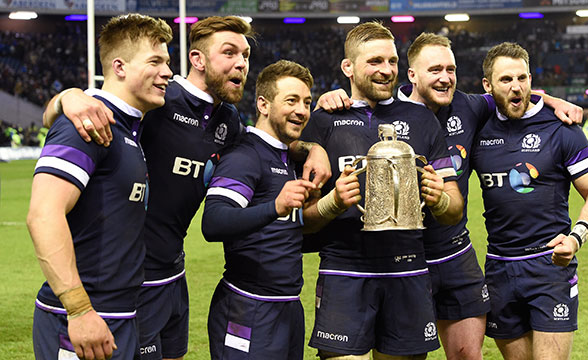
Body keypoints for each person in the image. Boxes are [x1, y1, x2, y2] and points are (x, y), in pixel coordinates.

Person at [42, 16, 331, 360]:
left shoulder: (229, 121)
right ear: (197, 60)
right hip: (130, 281)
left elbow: (265, 142)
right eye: (229, 53)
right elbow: (90, 110)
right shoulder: (159, 99)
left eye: (245, 55)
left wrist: (314, 149)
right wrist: (68, 97)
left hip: (174, 274)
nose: (242, 63)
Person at [316, 32, 584, 360]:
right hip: (405, 261)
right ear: (411, 75)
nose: (445, 78)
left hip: (456, 255)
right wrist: (330, 101)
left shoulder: (468, 106)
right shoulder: (387, 112)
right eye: (435, 70)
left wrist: (555, 101)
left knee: (468, 355)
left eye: (451, 69)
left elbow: (512, 88)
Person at [302, 21, 464, 360]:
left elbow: (454, 212)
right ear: (348, 67)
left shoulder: (422, 121)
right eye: (375, 61)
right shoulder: (323, 121)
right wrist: (332, 202)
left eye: (391, 61)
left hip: (407, 269)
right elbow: (304, 223)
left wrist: (440, 198)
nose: (386, 70)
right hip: (344, 269)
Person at [27, 14, 173, 360]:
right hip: (82, 319)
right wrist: (78, 310)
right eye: (155, 61)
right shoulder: (87, 124)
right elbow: (43, 215)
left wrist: (65, 96)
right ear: (119, 67)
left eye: (167, 62)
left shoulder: (126, 126)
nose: (168, 72)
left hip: (119, 313)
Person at [201, 60, 360, 360]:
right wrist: (275, 206)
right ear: (263, 104)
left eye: (307, 102)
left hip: (287, 306)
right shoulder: (245, 156)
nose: (301, 110)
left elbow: (293, 227)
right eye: (291, 100)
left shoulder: (288, 158)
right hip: (248, 307)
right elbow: (213, 222)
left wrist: (319, 156)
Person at [472, 42, 588, 360]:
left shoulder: (562, 129)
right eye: (506, 80)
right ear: (487, 86)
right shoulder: (477, 127)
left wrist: (576, 239)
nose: (516, 87)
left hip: (549, 267)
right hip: (499, 269)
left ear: (532, 80)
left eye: (522, 78)